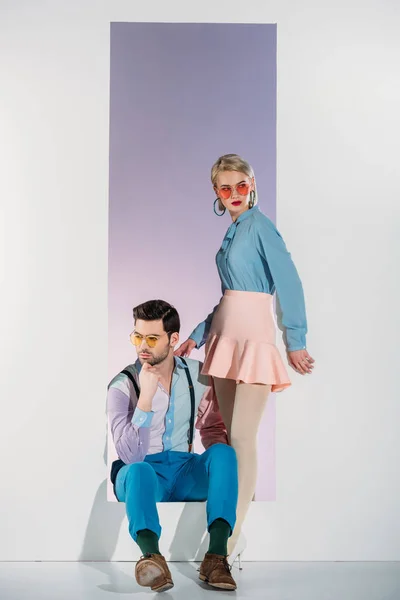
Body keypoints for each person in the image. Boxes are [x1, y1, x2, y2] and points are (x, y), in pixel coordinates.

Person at [175, 153, 315, 559]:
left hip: (253, 340)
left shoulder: (261, 228)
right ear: (216, 192)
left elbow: (289, 283)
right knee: (223, 438)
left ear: (252, 185)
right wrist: (198, 336)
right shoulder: (234, 231)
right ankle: (226, 529)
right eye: (225, 187)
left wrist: (295, 339)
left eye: (241, 185)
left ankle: (229, 538)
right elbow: (227, 297)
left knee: (242, 438)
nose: (234, 194)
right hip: (224, 338)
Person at [107, 299, 239, 592]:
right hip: (142, 475)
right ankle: (152, 558)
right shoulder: (122, 385)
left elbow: (213, 429)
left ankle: (216, 557)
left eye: (152, 338)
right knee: (138, 470)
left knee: (224, 453)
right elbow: (130, 456)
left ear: (173, 339)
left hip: (185, 470)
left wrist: (227, 478)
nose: (143, 346)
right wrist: (145, 400)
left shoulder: (198, 374)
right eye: (137, 336)